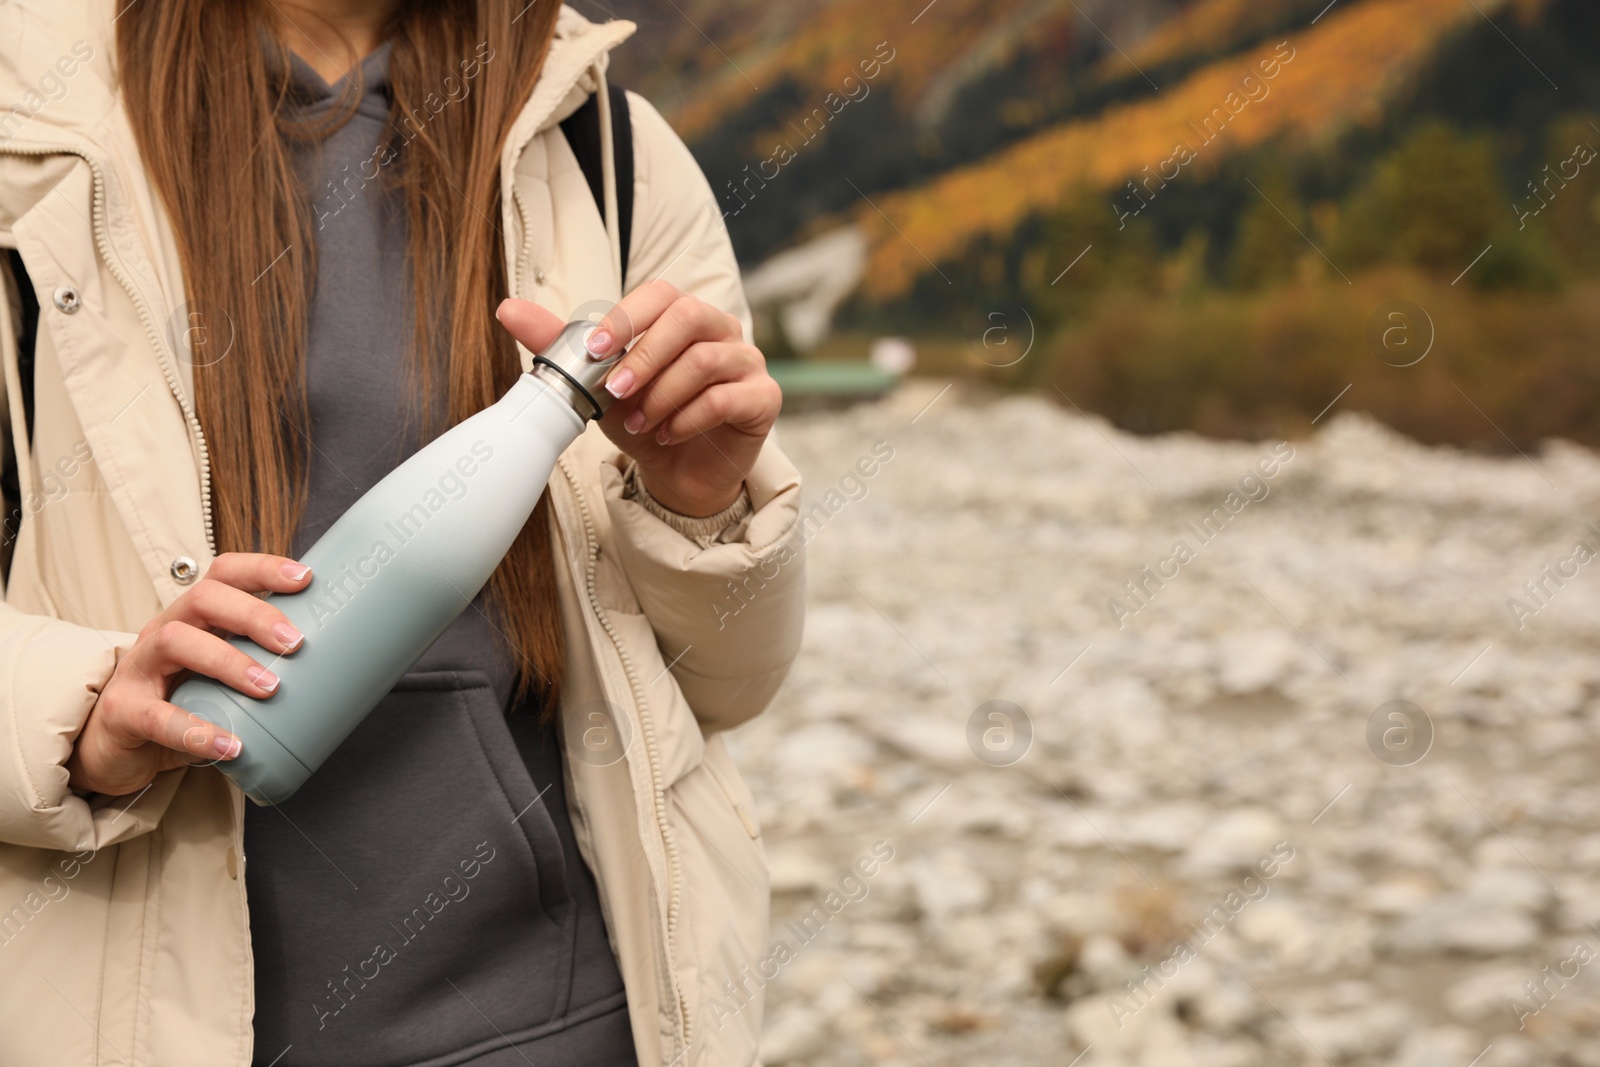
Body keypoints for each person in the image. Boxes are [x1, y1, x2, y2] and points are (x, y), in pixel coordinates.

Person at [0, 2, 803, 1064]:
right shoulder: (35, 122)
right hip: (129, 1021)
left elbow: (727, 687)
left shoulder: (599, 142)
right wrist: (80, 717)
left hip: (560, 1022)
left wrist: (700, 505)